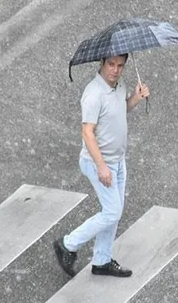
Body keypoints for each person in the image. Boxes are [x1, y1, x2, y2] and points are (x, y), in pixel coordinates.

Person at [53, 53, 149, 278]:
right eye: (111, 65)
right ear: (102, 63)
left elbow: (119, 111)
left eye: (120, 66)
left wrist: (135, 97)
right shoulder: (94, 94)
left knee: (113, 212)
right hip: (99, 163)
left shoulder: (119, 86)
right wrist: (101, 167)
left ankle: (102, 260)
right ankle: (68, 244)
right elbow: (87, 132)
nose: (115, 70)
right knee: (112, 211)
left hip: (117, 161)